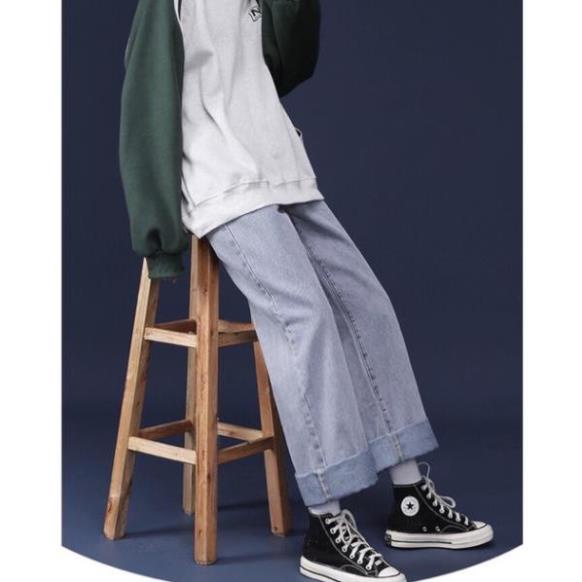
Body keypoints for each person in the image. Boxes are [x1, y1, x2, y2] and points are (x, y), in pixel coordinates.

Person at [118, 1, 493, 580]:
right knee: (305, 315)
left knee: (367, 305)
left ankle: (410, 498)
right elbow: (144, 100)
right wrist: (160, 235)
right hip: (220, 178)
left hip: (279, 163)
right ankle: (325, 522)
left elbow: (288, 63)